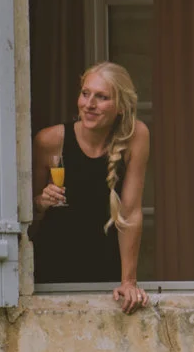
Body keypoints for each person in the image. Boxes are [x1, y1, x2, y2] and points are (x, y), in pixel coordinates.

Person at [31, 62, 152, 312]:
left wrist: (128, 281)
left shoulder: (136, 136)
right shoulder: (49, 140)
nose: (89, 104)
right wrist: (41, 201)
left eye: (102, 97)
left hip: (105, 269)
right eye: (85, 94)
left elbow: (130, 213)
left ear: (120, 107)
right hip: (53, 267)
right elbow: (24, 214)